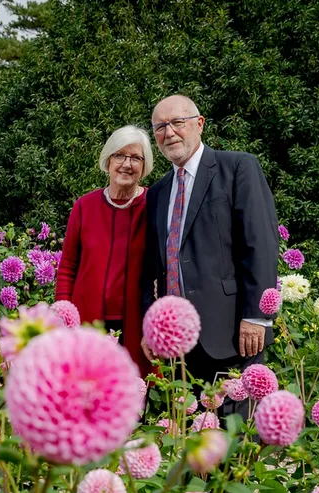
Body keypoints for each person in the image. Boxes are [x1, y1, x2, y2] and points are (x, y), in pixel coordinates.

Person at [141, 95, 279, 412]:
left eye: (177, 122)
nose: (169, 132)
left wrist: (256, 317)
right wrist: (152, 327)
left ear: (199, 124)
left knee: (234, 440)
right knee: (190, 443)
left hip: (232, 330)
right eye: (160, 126)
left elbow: (260, 243)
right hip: (180, 342)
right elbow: (151, 268)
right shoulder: (159, 192)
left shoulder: (237, 168)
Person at [56, 125, 154, 376]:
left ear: (144, 166)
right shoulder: (84, 206)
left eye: (135, 157)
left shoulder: (155, 205)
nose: (126, 164)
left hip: (137, 324)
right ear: (108, 160)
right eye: (119, 155)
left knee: (136, 395)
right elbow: (68, 267)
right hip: (88, 320)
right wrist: (63, 315)